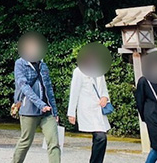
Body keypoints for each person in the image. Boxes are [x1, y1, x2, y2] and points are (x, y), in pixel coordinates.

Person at [12, 32, 61, 163]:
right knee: (26, 141)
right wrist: (40, 104)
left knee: (54, 143)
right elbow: (24, 86)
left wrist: (54, 111)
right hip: (29, 109)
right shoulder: (20, 64)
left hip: (47, 112)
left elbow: (48, 89)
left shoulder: (43, 65)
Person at [68, 43, 112, 163]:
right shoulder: (78, 72)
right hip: (86, 109)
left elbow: (104, 90)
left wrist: (105, 98)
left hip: (98, 109)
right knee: (100, 137)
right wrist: (71, 112)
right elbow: (74, 92)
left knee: (101, 137)